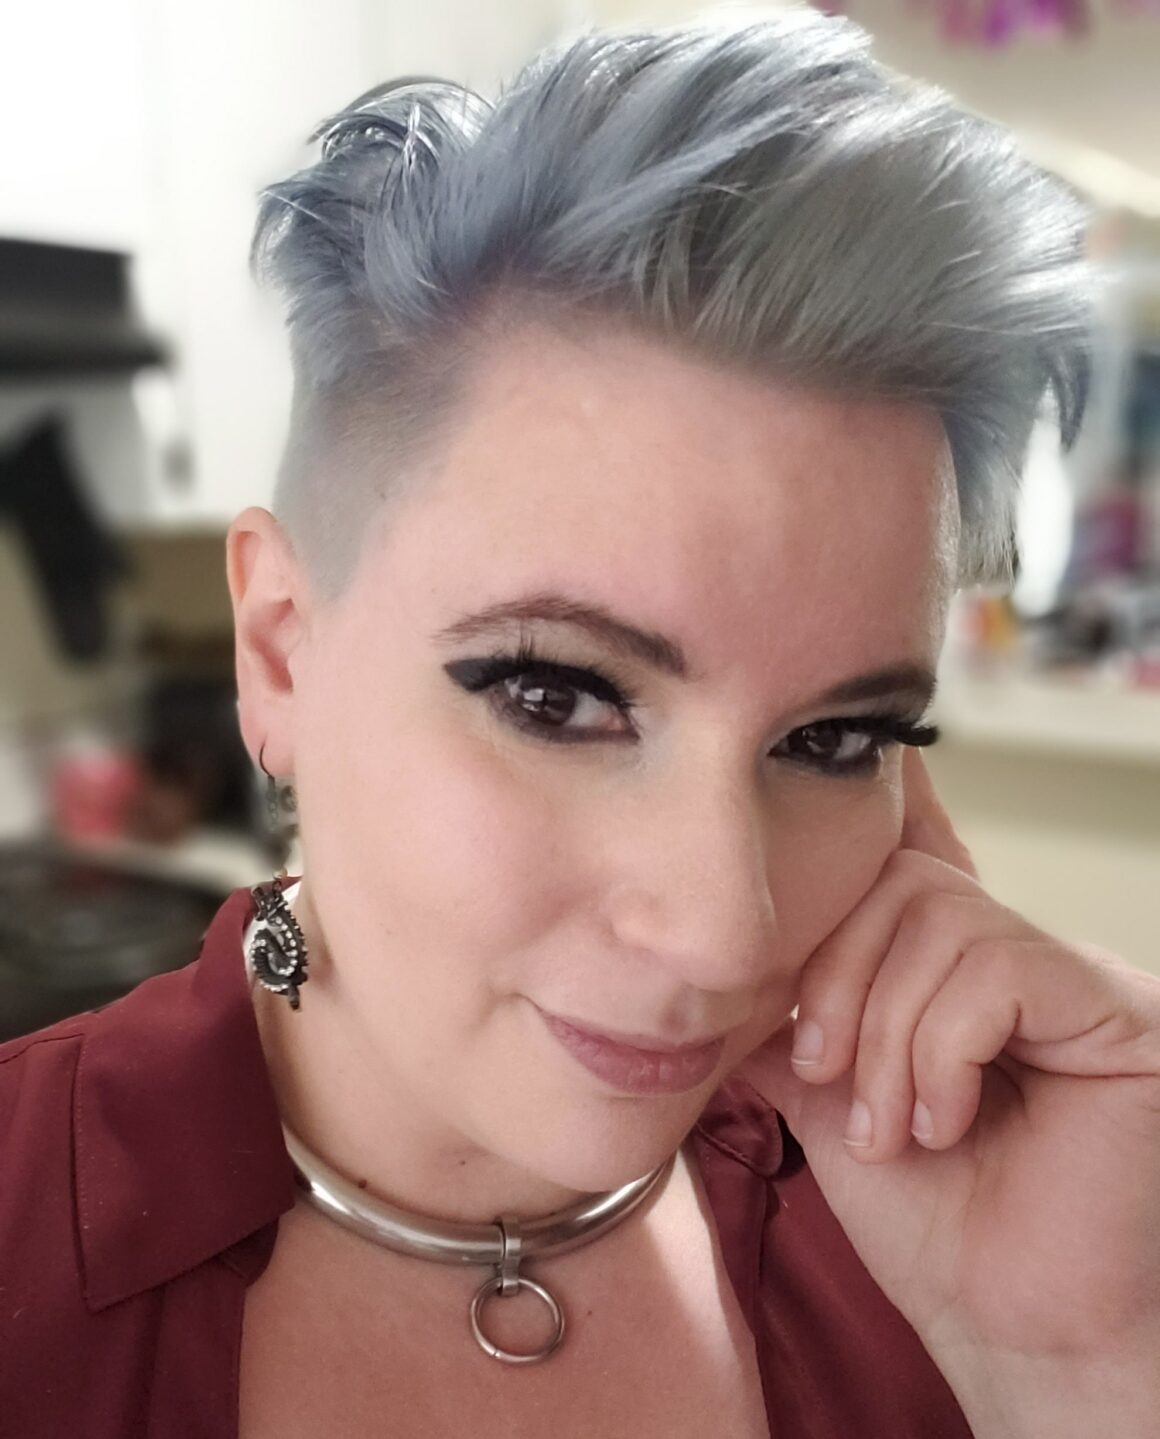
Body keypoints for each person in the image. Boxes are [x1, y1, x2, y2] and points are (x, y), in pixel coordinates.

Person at [2, 12, 1158, 1437]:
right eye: (555, 697)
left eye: (836, 740)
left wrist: (1085, 1370)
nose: (726, 937)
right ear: (281, 656)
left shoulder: (961, 1239)